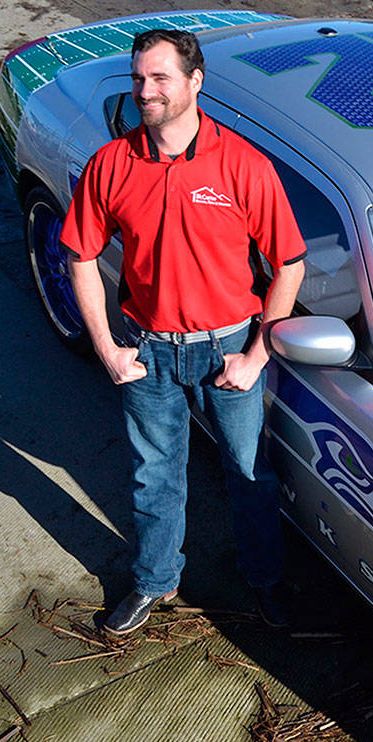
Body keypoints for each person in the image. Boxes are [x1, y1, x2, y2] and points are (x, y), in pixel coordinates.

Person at [61, 28, 306, 635]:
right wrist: (106, 349)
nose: (146, 90)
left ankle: (267, 582)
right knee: (154, 476)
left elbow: (290, 263)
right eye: (139, 78)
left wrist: (256, 354)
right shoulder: (112, 164)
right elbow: (80, 256)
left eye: (160, 78)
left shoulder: (242, 165)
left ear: (195, 83)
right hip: (148, 352)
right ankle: (153, 582)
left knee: (249, 476)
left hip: (228, 350)